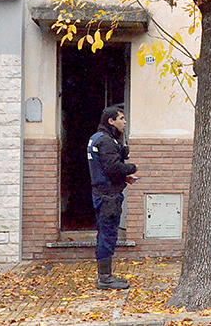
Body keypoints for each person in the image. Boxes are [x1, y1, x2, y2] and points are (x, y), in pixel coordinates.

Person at [87, 106, 138, 290]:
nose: (124, 122)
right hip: (108, 196)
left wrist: (124, 178)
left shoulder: (97, 139)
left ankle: (105, 275)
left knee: (105, 233)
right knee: (108, 234)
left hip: (103, 193)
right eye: (121, 118)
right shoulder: (106, 142)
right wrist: (131, 169)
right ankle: (104, 278)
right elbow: (112, 167)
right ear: (111, 121)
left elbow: (104, 168)